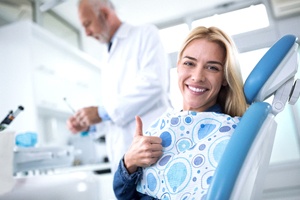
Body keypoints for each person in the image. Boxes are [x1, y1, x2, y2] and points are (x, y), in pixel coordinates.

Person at [113, 26, 248, 199]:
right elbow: (122, 194)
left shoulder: (228, 133)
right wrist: (129, 162)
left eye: (212, 67)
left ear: (224, 78)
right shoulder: (165, 124)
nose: (197, 76)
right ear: (178, 67)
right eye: (189, 63)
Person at [66, 0, 171, 173]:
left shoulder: (145, 34)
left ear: (105, 15)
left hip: (152, 152)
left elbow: (154, 84)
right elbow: (116, 112)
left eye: (88, 24)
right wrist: (89, 123)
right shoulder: (107, 55)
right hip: (124, 160)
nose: (86, 33)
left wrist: (99, 112)